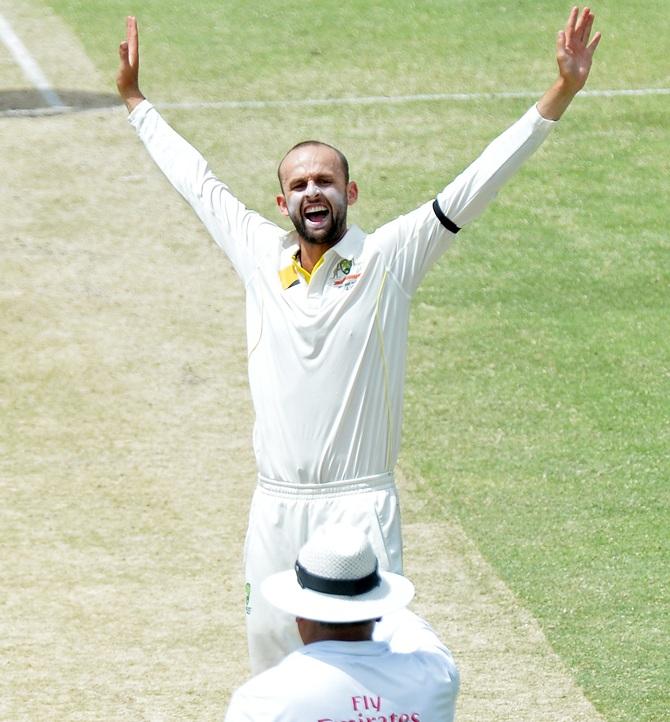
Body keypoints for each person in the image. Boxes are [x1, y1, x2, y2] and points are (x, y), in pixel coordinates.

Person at [116, 8, 601, 673]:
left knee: (367, 670)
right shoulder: (258, 253)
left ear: (350, 192)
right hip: (275, 506)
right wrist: (137, 102)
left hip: (359, 508)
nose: (312, 191)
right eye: (298, 184)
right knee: (273, 671)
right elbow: (198, 182)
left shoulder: (391, 258)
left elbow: (479, 179)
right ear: (282, 203)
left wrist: (561, 94)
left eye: (324, 181)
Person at [224, 524, 460, 722]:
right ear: (378, 611)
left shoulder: (259, 701)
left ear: (299, 616)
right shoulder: (437, 675)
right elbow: (407, 623)